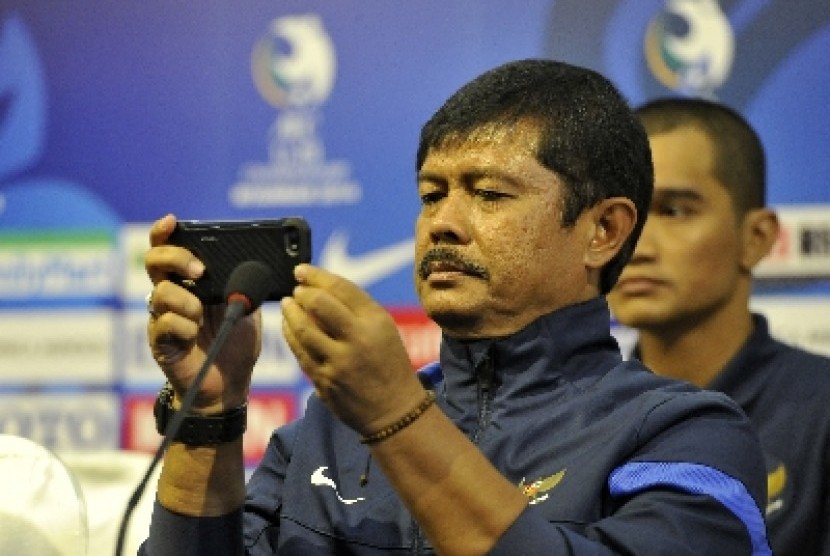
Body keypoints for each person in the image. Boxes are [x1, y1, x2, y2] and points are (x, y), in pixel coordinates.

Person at [140, 59, 771, 555]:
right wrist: (209, 413)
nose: (443, 223)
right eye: (430, 194)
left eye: (490, 194)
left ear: (602, 230)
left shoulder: (683, 434)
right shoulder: (328, 431)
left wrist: (394, 414)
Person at [607, 97, 830, 556]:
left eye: (674, 211)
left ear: (757, 238)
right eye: (618, 217)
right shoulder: (581, 418)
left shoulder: (821, 412)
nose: (637, 248)